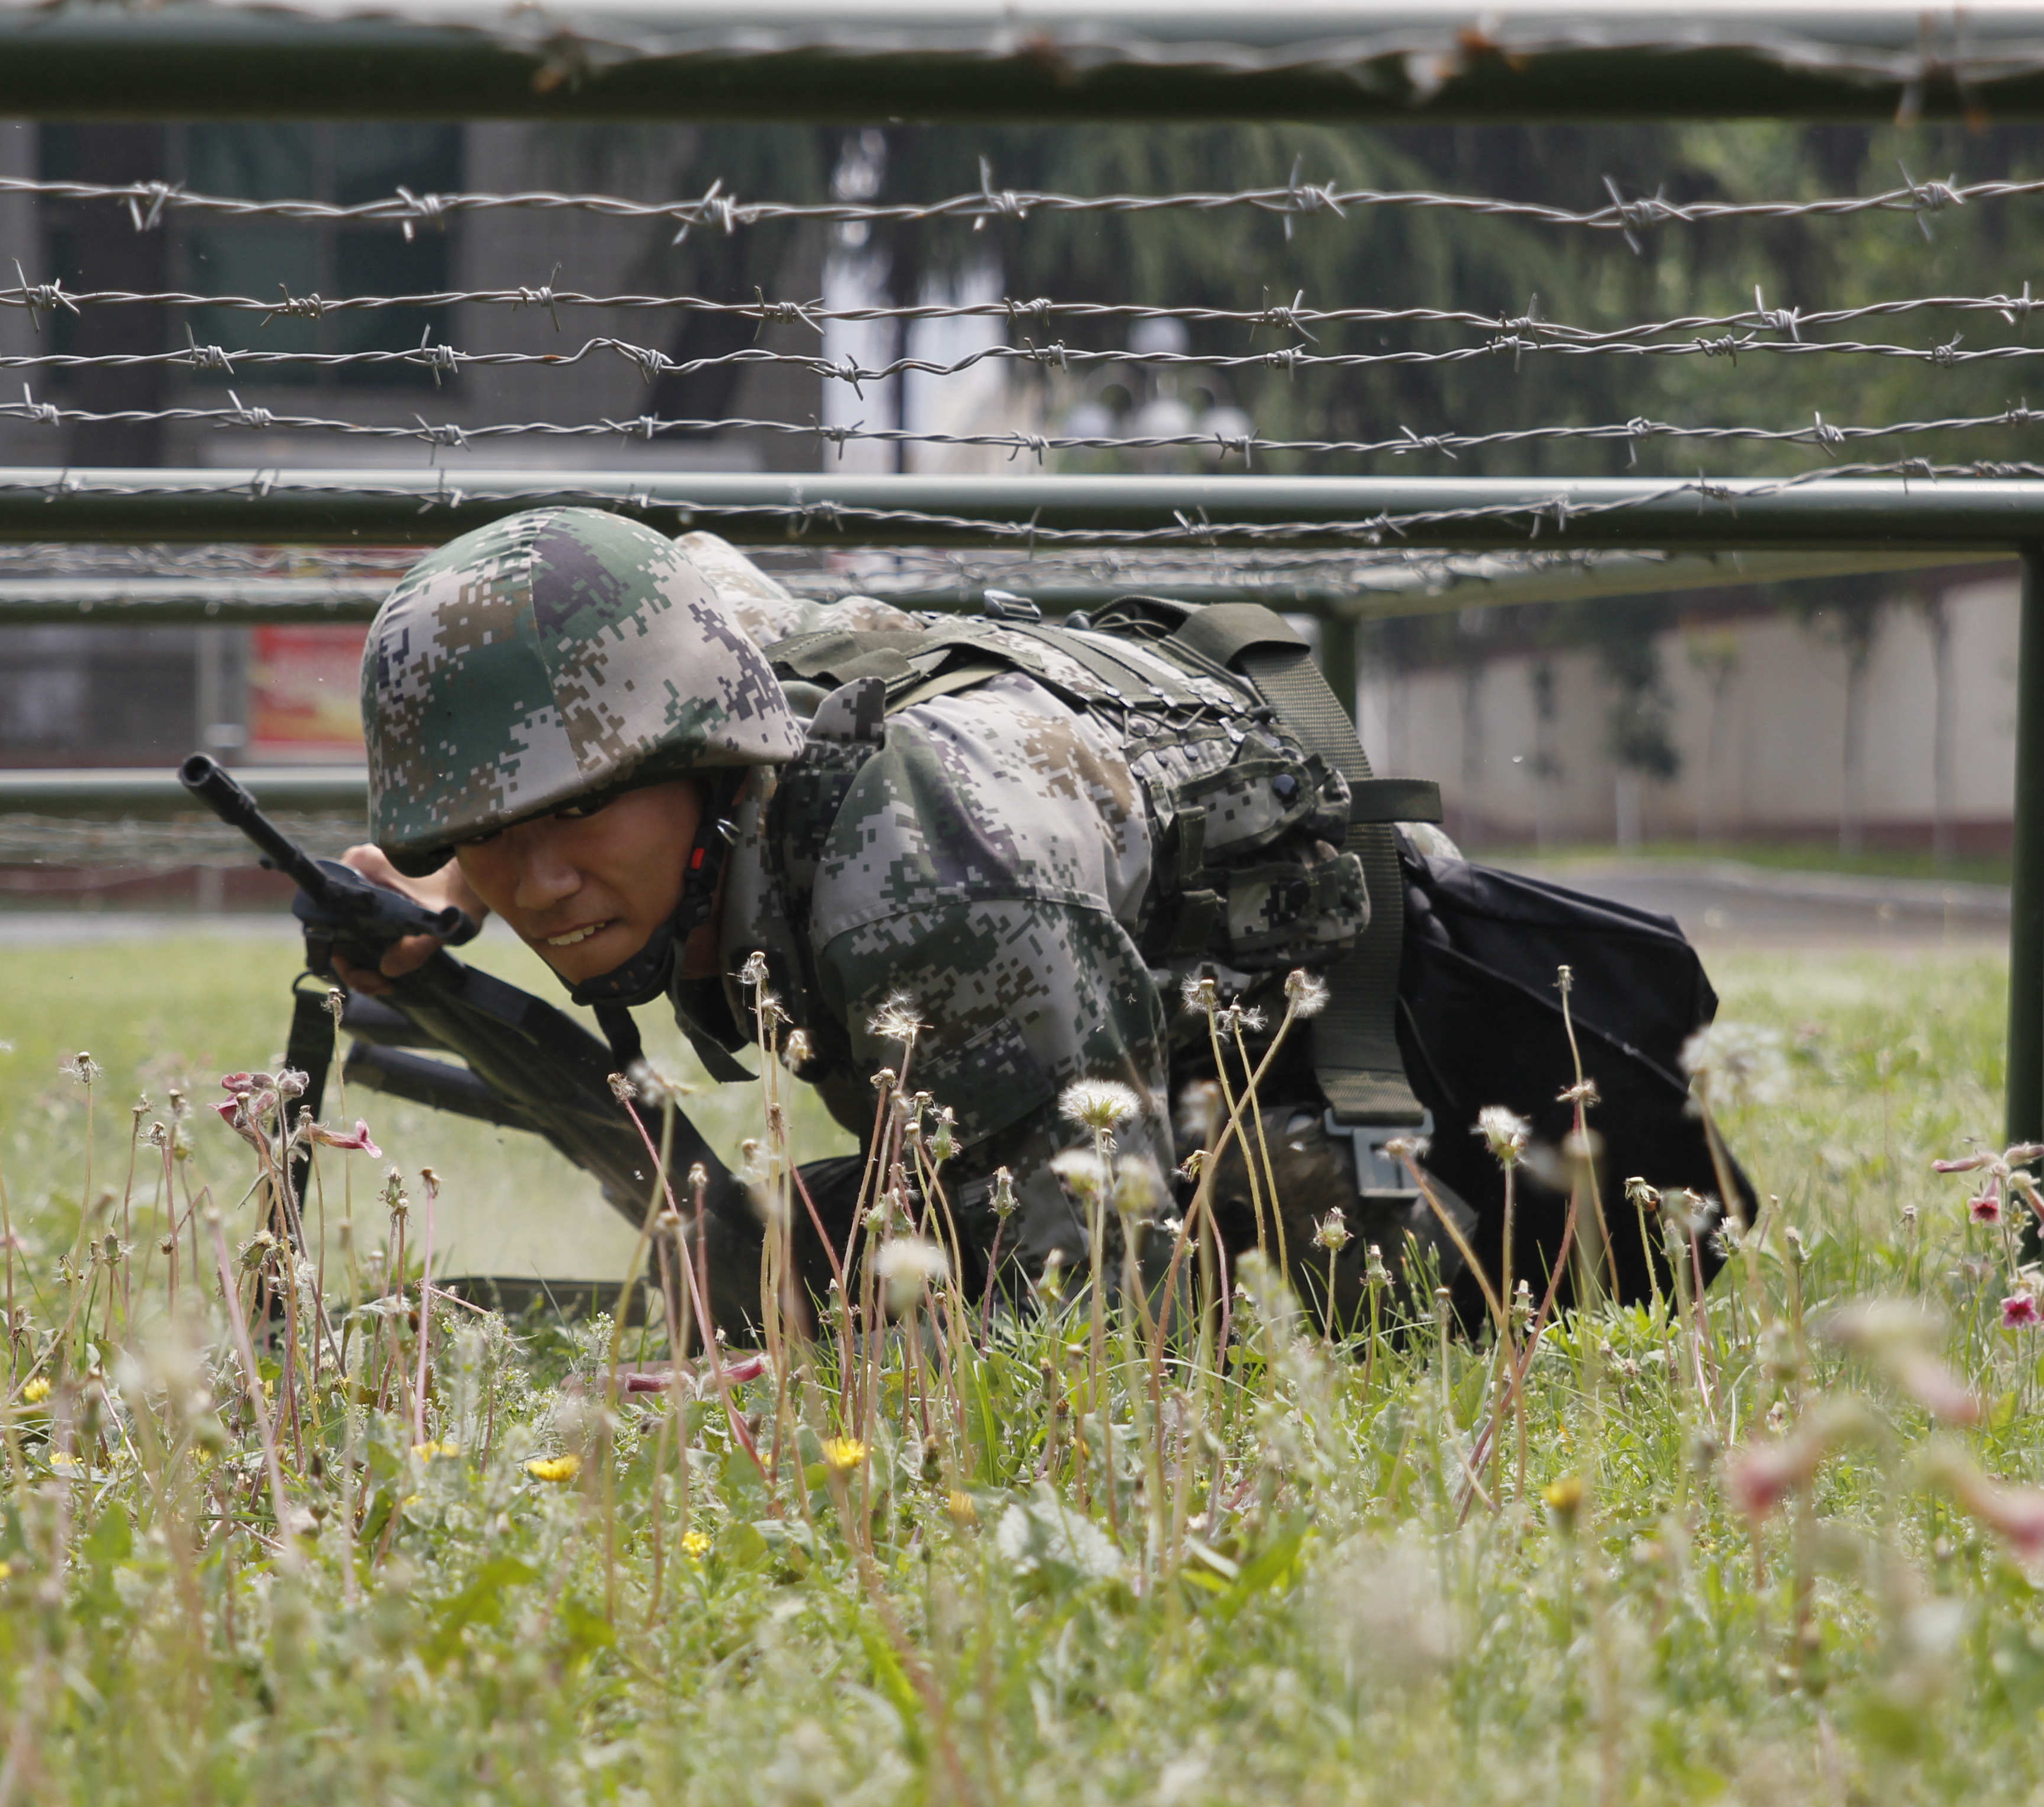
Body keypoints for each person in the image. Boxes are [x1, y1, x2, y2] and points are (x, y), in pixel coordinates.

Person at [317, 505, 1477, 1316]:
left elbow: (1100, 1323)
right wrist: (437, 887)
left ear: (705, 752)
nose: (541, 882)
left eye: (581, 816)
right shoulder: (694, 647)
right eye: (488, 832)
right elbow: (674, 578)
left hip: (1408, 1063)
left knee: (852, 1288)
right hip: (1142, 1015)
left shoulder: (927, 898)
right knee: (783, 1267)